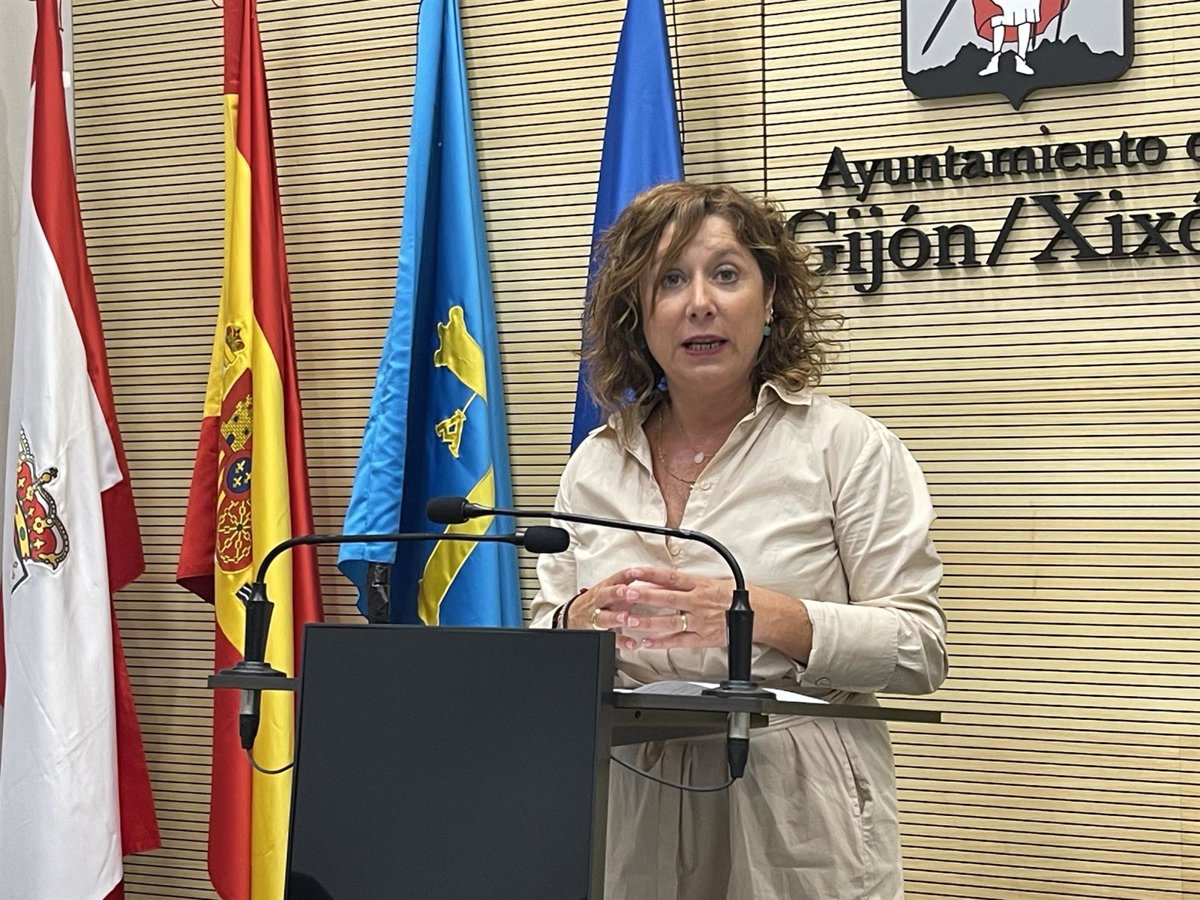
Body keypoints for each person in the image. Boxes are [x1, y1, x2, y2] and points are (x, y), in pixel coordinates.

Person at [530, 181, 947, 900]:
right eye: (670, 279)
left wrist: (766, 616)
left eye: (726, 274)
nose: (700, 302)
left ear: (771, 298)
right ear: (638, 312)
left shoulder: (846, 448)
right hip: (632, 799)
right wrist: (574, 621)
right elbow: (544, 638)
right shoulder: (593, 464)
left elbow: (919, 649)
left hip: (796, 806)